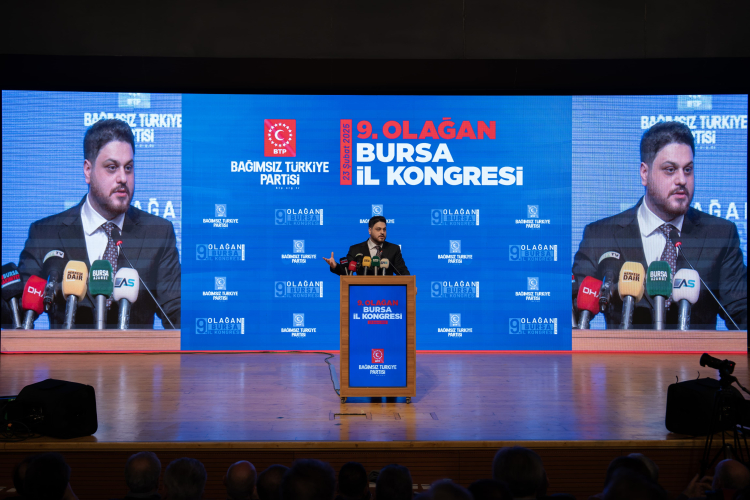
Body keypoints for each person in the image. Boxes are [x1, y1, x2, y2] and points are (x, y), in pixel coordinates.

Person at [572, 121, 747, 330]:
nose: (682, 180)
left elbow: (742, 312)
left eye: (688, 170)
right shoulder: (601, 236)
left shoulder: (720, 235)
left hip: (695, 352)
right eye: (670, 170)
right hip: (625, 352)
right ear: (644, 173)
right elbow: (572, 310)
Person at [15, 118, 181, 329]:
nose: (123, 178)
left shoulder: (157, 233)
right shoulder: (45, 233)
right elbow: (16, 311)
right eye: (112, 167)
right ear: (88, 170)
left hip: (134, 352)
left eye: (128, 168)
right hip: (68, 351)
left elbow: (177, 312)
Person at [324, 216, 409, 276]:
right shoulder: (356, 249)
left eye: (384, 229)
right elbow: (347, 272)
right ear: (370, 230)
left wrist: (411, 285)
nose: (382, 232)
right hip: (363, 293)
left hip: (387, 294)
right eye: (378, 229)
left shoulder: (393, 249)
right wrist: (335, 266)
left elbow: (402, 271)